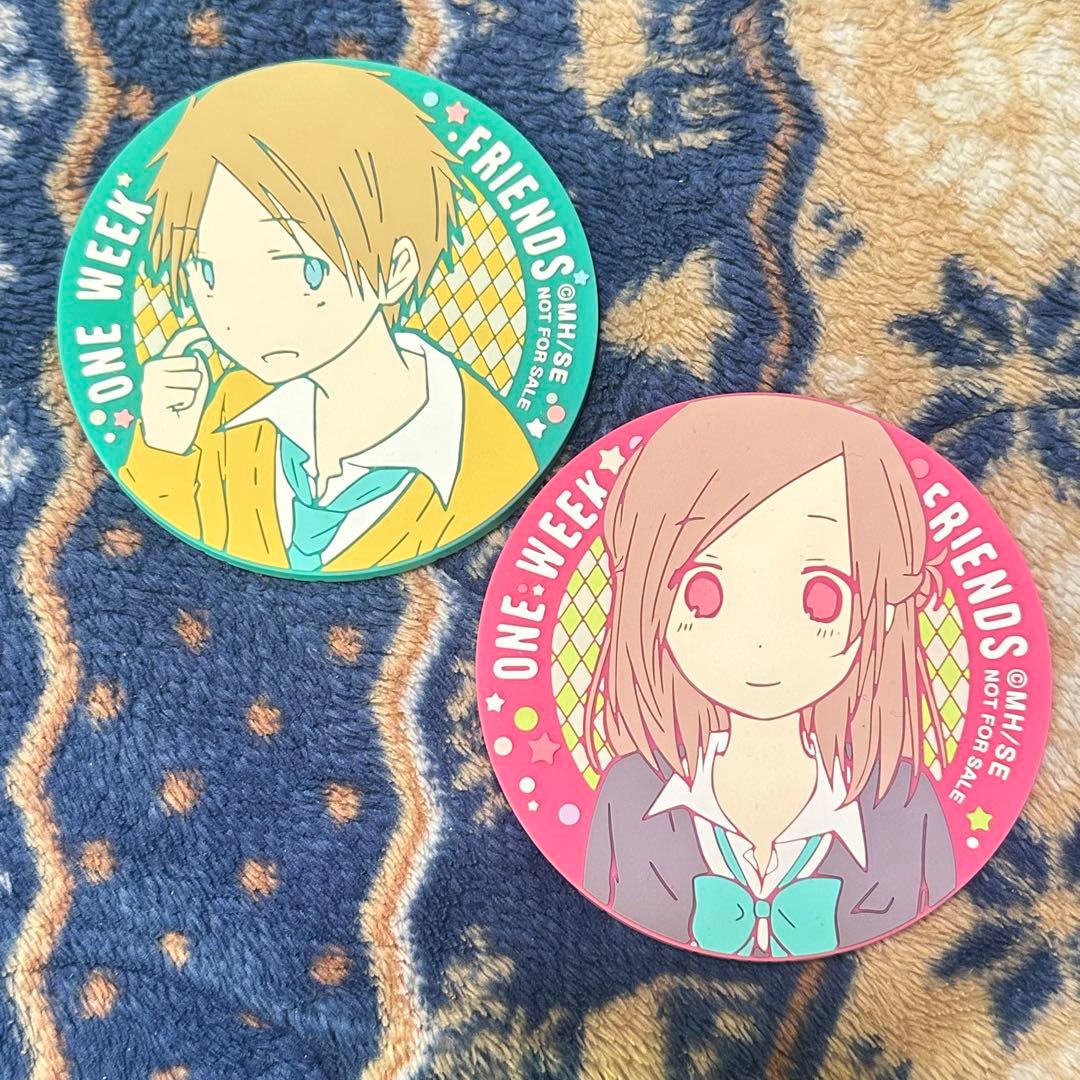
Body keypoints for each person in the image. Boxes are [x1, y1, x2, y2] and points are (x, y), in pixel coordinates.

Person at [121, 61, 536, 573]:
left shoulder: (489, 453)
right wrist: (163, 446)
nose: (246, 314)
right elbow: (157, 562)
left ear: (396, 270)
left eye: (305, 269)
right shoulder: (218, 408)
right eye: (209, 272)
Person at [581, 396, 956, 957]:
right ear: (647, 599)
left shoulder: (905, 802)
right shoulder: (627, 794)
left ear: (884, 607)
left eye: (822, 596)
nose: (761, 641)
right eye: (704, 592)